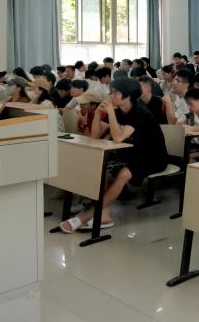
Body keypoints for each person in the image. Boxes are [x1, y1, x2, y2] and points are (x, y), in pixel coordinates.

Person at [60, 78, 168, 232]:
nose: (112, 95)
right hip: (132, 154)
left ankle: (86, 216)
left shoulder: (139, 112)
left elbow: (118, 138)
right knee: (103, 171)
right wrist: (98, 113)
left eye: (116, 92)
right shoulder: (119, 110)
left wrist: (110, 112)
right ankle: (104, 216)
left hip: (153, 157)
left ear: (127, 96)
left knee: (123, 174)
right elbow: (95, 135)